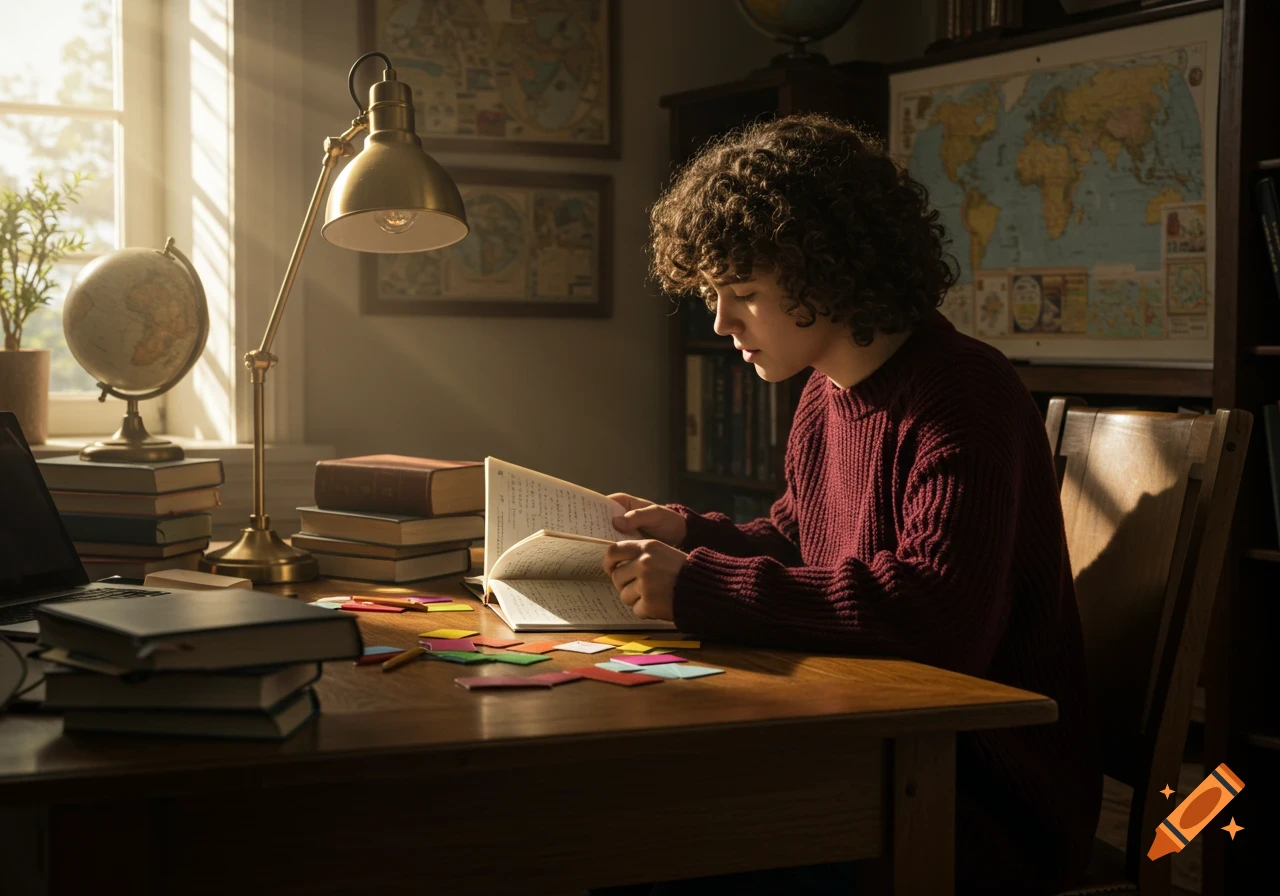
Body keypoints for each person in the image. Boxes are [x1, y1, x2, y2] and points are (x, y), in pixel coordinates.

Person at [598, 114, 1101, 894]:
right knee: (634, 822)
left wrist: (698, 585)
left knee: (652, 847)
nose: (722, 322)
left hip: (973, 794)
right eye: (712, 295)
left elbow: (940, 616)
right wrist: (690, 532)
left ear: (824, 271)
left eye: (742, 294)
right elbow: (807, 544)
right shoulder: (825, 393)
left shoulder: (964, 392)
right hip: (867, 752)